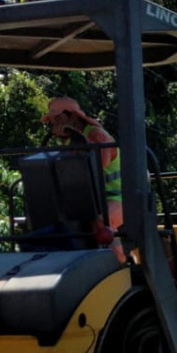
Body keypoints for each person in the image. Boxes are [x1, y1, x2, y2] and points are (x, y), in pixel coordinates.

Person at [41, 97, 124, 261]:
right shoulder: (72, 143)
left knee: (101, 220)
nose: (55, 125)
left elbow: (93, 169)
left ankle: (119, 265)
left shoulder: (96, 136)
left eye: (58, 119)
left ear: (73, 116)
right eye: (52, 121)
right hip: (92, 201)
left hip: (120, 198)